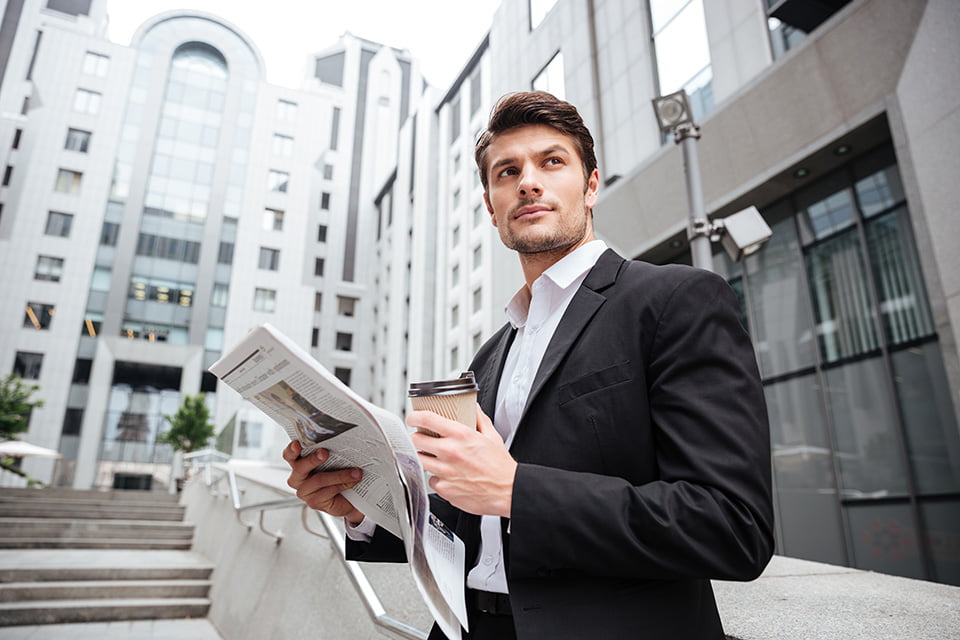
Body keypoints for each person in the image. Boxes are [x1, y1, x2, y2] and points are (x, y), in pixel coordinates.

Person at [283, 91, 774, 639]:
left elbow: (732, 525)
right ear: (492, 208)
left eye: (552, 161)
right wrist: (359, 506)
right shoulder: (491, 355)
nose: (528, 182)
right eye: (507, 171)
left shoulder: (675, 300)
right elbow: (472, 520)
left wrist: (518, 489)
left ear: (590, 186)